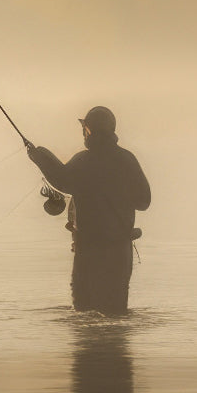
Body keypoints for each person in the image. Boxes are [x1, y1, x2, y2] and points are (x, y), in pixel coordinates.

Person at [24, 107, 151, 316]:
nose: (82, 132)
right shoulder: (127, 160)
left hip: (89, 252)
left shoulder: (84, 161)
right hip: (119, 252)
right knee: (115, 315)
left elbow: (62, 180)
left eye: (84, 128)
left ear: (89, 130)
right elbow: (144, 202)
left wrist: (39, 156)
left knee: (84, 314)